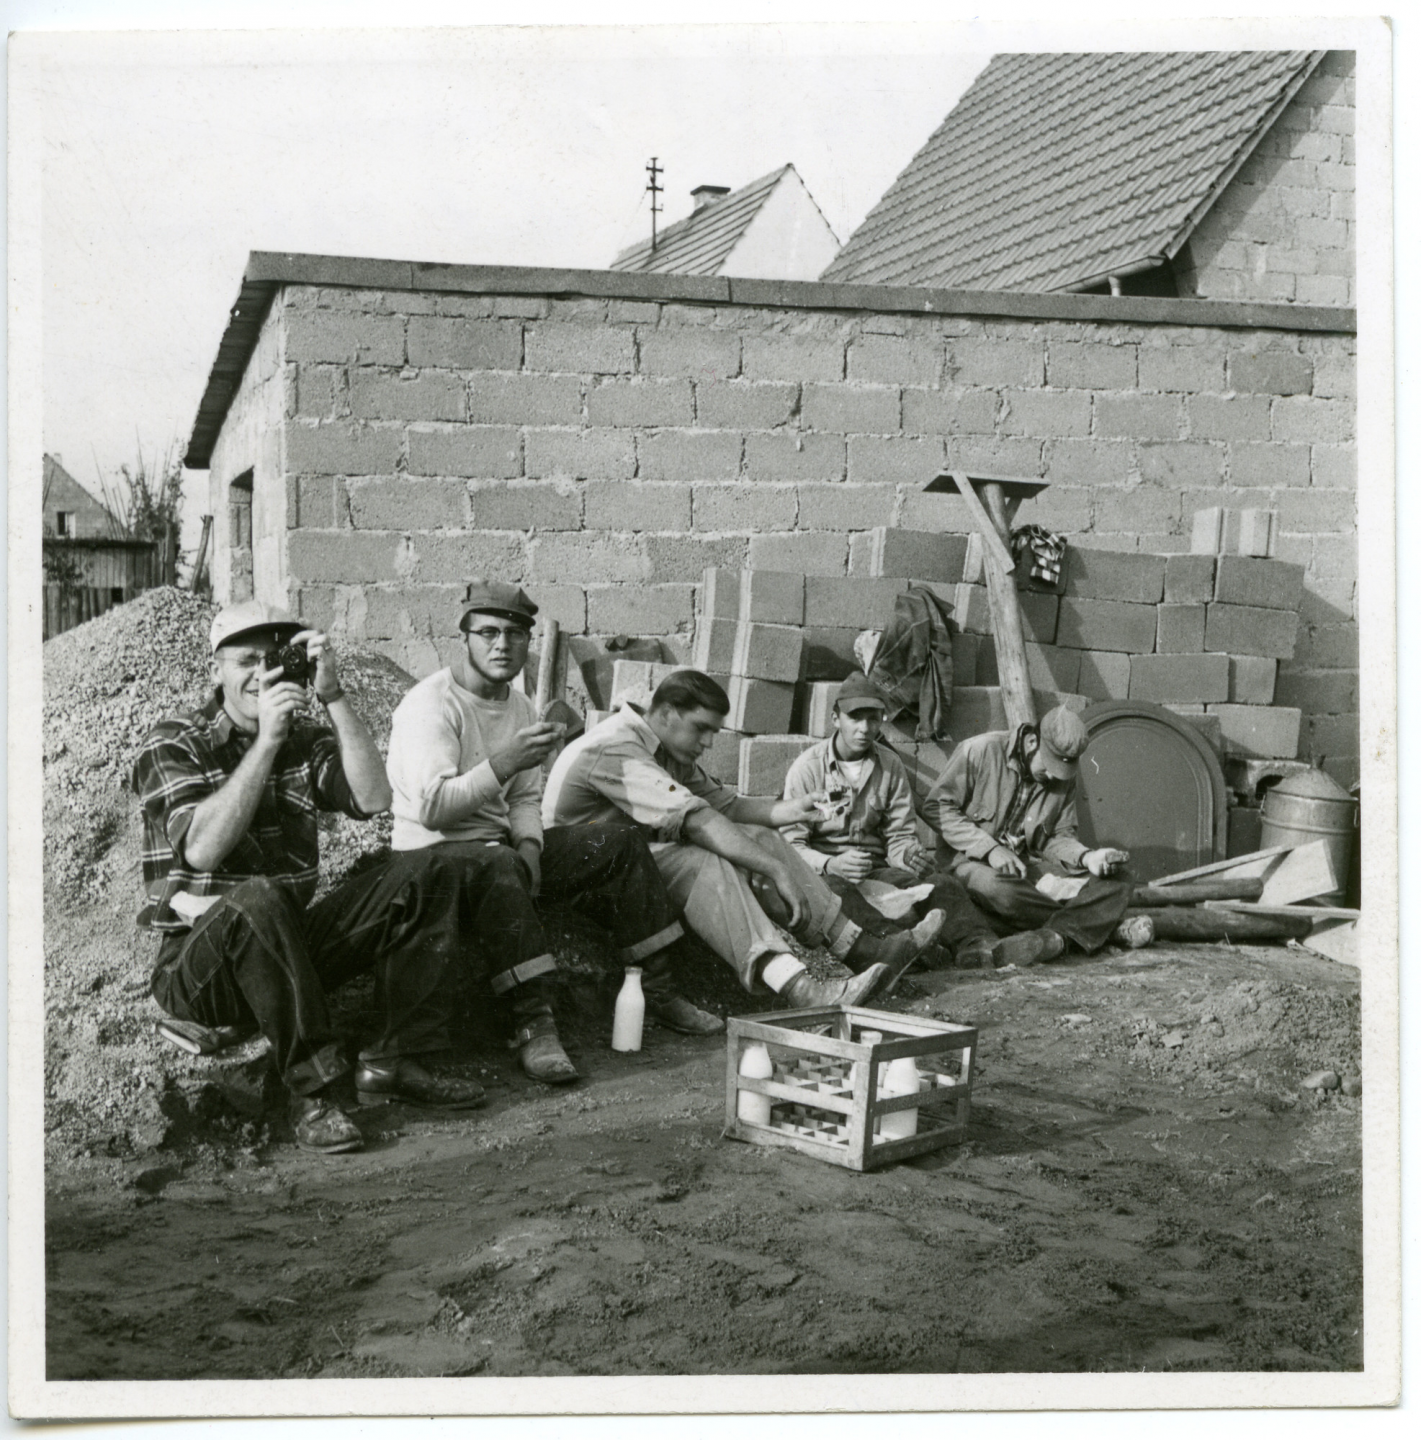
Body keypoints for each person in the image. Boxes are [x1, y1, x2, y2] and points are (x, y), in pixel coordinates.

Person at [132, 601, 486, 1159]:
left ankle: (395, 1057)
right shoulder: (174, 741)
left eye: (276, 658)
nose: (261, 674)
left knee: (429, 867)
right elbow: (201, 849)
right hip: (199, 971)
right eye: (246, 660)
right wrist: (265, 742)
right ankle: (315, 1094)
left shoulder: (303, 738)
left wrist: (334, 696)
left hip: (288, 950)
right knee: (259, 895)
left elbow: (373, 799)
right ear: (214, 671)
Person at [384, 582, 723, 1085]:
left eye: (516, 635)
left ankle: (658, 987)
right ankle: (533, 1024)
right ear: (465, 638)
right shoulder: (431, 705)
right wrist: (502, 765)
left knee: (620, 841)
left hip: (498, 849)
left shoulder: (519, 707)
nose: (503, 645)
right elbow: (433, 809)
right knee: (496, 863)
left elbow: (524, 798)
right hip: (433, 859)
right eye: (489, 633)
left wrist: (531, 847)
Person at [542, 670, 947, 1008]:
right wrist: (773, 870)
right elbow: (700, 821)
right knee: (706, 860)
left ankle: (860, 949)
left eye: (714, 732)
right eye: (701, 729)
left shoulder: (664, 746)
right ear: (665, 712)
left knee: (758, 837)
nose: (708, 743)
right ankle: (801, 989)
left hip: (633, 868)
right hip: (587, 876)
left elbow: (727, 806)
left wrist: (794, 808)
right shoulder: (617, 746)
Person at [781, 674, 1045, 969]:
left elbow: (899, 835)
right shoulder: (807, 769)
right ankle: (906, 948)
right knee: (838, 895)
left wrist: (908, 855)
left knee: (941, 884)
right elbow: (791, 847)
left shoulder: (889, 764)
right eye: (855, 718)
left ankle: (981, 948)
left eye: (873, 719)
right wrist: (831, 864)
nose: (865, 728)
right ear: (835, 718)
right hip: (825, 876)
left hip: (877, 871)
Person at [921, 705, 1149, 959]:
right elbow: (935, 807)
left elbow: (1058, 837)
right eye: (1049, 766)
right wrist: (990, 849)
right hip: (970, 864)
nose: (1054, 776)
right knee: (1001, 892)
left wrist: (1087, 858)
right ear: (1032, 741)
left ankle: (1053, 938)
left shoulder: (1062, 776)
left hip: (1024, 870)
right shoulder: (980, 750)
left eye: (1061, 771)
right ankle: (1098, 928)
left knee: (1120, 880)